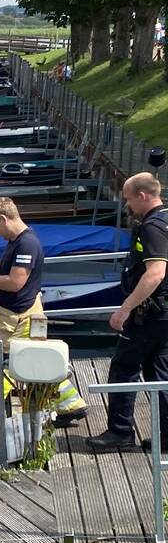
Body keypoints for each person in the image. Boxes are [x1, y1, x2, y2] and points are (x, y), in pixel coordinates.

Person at [0, 198, 87, 435]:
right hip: (24, 312)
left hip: (14, 318)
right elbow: (17, 265)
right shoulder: (20, 240)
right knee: (40, 360)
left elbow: (16, 282)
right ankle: (71, 405)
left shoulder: (25, 244)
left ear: (4, 219)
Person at [88, 173, 168, 451]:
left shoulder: (152, 227)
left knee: (123, 369)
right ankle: (167, 437)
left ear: (142, 196)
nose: (127, 205)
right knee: (161, 374)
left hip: (149, 314)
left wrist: (125, 309)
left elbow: (155, 273)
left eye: (128, 199)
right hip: (163, 315)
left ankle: (120, 432)